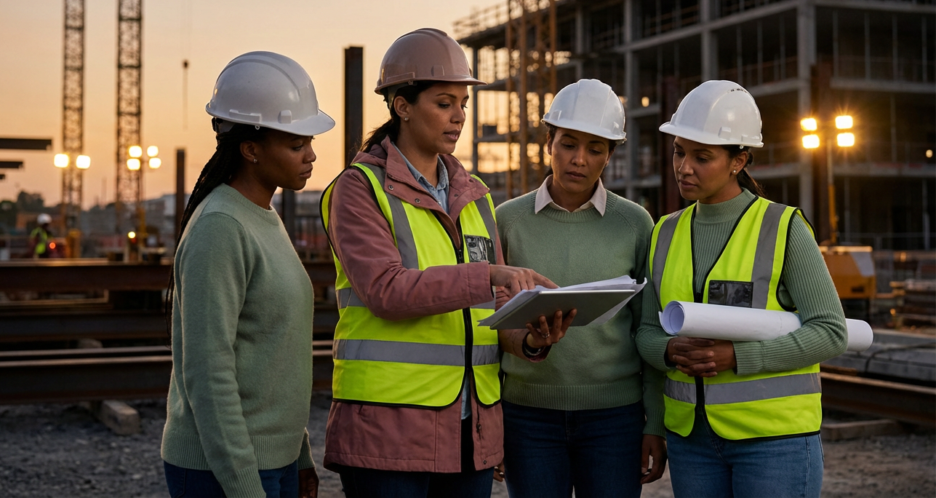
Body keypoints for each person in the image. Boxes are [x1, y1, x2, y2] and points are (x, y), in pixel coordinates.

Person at [320, 28, 575, 498]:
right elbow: (385, 290)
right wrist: (490, 274)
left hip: (469, 428)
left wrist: (531, 339)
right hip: (389, 432)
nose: (459, 116)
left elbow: (492, 312)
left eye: (463, 103)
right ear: (402, 105)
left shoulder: (472, 194)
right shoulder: (359, 189)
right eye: (443, 103)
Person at [636, 80, 849, 498]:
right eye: (679, 151)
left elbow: (830, 330)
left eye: (703, 157)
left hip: (774, 442)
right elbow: (644, 331)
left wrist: (739, 356)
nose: (684, 167)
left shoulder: (783, 228)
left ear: (739, 161)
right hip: (691, 441)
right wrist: (667, 351)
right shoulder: (663, 232)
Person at [160, 52, 334, 498]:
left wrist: (298, 455)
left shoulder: (261, 216)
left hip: (268, 463)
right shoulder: (221, 226)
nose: (311, 155)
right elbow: (208, 370)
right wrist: (243, 483)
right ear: (251, 149)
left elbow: (274, 356)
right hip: (225, 472)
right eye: (296, 145)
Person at [495, 79, 666, 498]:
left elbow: (648, 326)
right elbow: (486, 326)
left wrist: (655, 423)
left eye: (595, 149)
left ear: (610, 155)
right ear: (548, 142)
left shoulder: (635, 224)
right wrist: (490, 423)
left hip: (616, 419)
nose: (579, 160)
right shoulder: (506, 221)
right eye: (569, 144)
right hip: (525, 416)